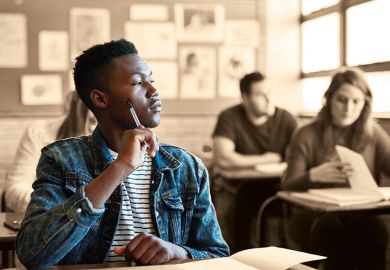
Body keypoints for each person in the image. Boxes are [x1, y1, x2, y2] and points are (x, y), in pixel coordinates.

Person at [16, 39, 229, 270]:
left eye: (152, 80)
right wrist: (121, 167)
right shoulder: (61, 159)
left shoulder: (186, 166)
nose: (153, 91)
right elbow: (33, 255)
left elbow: (217, 255)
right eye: (138, 83)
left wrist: (176, 252)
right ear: (100, 99)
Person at [282, 67, 390, 270]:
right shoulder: (306, 134)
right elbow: (287, 185)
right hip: (312, 216)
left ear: (365, 103)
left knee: (375, 231)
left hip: (360, 214)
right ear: (329, 99)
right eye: (342, 100)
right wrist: (312, 175)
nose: (348, 108)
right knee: (333, 232)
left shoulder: (374, 134)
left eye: (356, 101)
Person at [212, 71, 297, 252]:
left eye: (270, 93)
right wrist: (265, 158)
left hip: (274, 185)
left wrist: (242, 161)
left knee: (286, 210)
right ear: (245, 98)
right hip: (234, 185)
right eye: (260, 95)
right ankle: (230, 255)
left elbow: (296, 161)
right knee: (226, 213)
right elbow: (223, 158)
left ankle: (278, 255)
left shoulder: (286, 119)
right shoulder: (229, 116)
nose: (269, 99)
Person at [5, 91, 96, 213]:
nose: (94, 127)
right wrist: (57, 207)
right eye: (92, 120)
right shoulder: (39, 132)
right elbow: (14, 190)